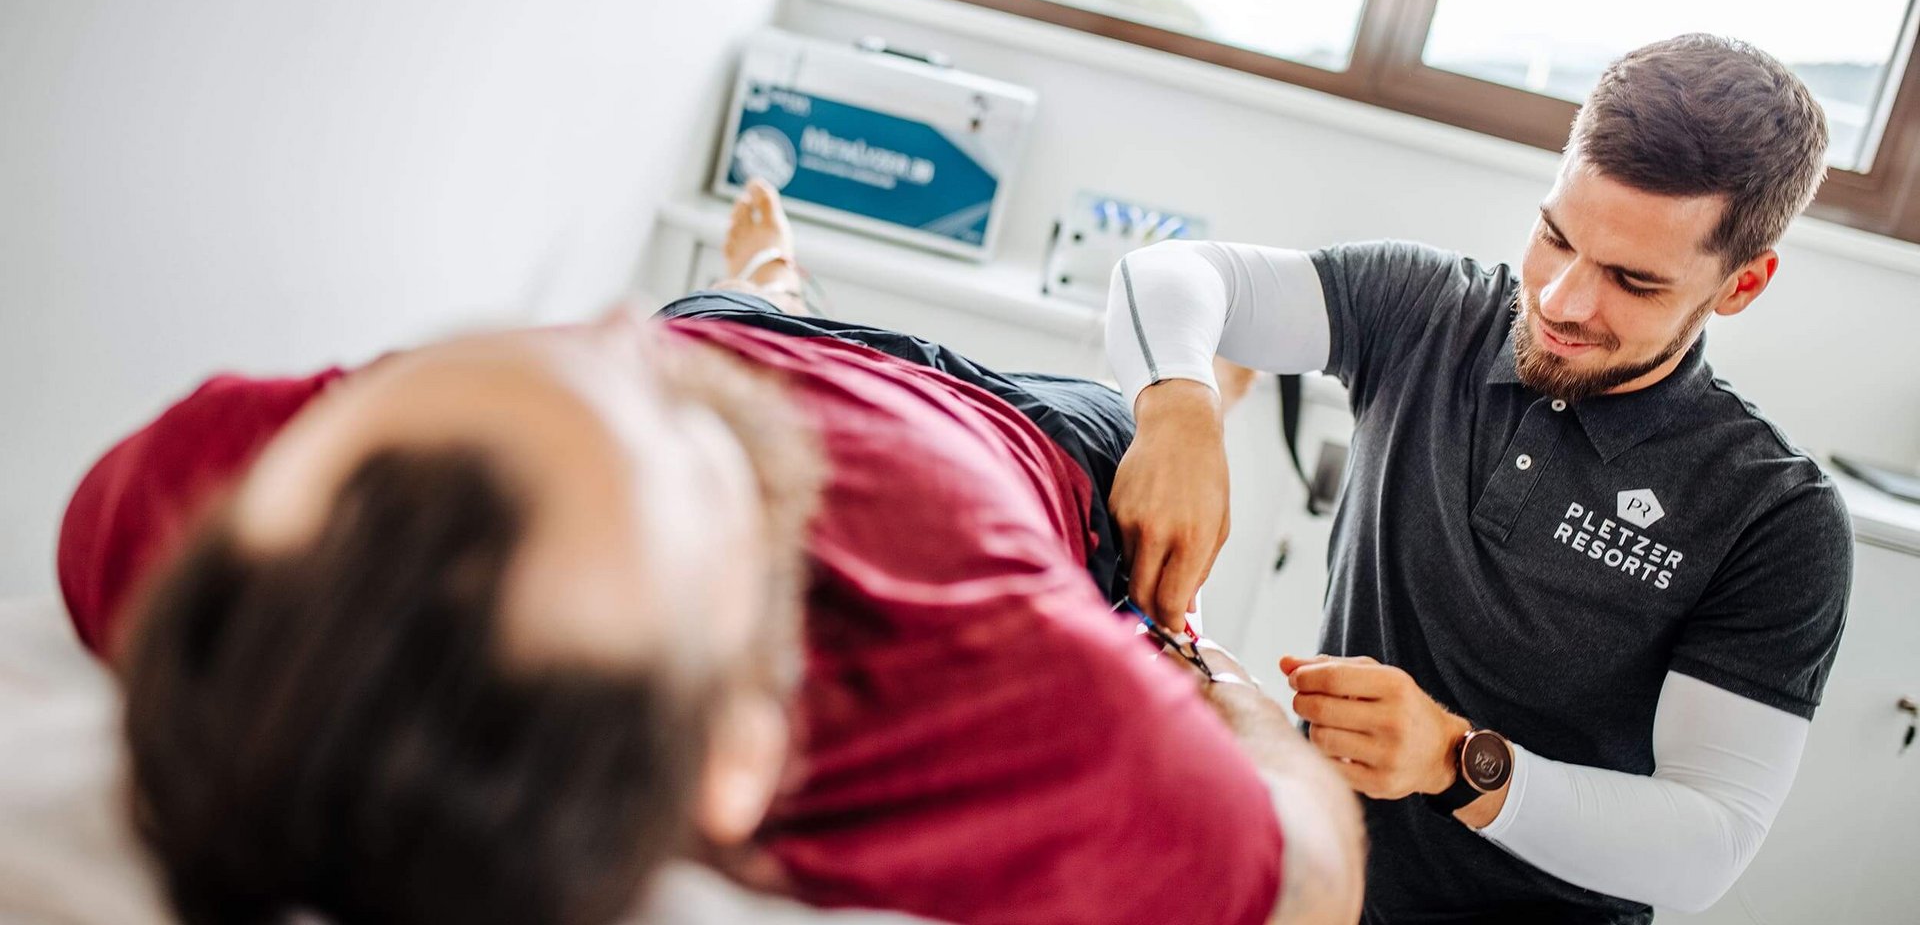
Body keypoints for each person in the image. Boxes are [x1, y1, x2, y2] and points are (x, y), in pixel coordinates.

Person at [55, 181, 1364, 925]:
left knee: (725, 319)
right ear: (744, 744)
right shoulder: (1021, 712)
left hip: (736, 320)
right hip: (1017, 440)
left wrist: (704, 368)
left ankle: (774, 278)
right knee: (1164, 427)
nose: (620, 326)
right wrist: (1223, 688)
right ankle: (1225, 390)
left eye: (550, 354)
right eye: (675, 437)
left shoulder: (209, 494)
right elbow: (1311, 878)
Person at [1106, 34, 1853, 924]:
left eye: (1633, 281)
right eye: (1555, 235)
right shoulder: (1427, 312)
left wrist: (1456, 761)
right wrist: (1178, 412)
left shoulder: (1776, 515)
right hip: (1308, 881)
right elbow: (1172, 275)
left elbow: (1708, 843)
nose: (1563, 301)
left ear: (1741, 285)